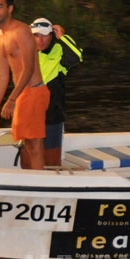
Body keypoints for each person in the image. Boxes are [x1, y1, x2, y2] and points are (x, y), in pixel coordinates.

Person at [0, 0, 49, 169]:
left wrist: (12, 99)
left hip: (34, 90)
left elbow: (28, 69)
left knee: (34, 144)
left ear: (10, 9)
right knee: (27, 143)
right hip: (21, 93)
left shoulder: (21, 31)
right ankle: (35, 180)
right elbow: (2, 75)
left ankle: (41, 185)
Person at [30, 17, 83, 167]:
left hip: (52, 115)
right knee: (28, 158)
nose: (40, 40)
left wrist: (63, 37)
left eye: (45, 35)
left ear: (51, 35)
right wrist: (20, 34)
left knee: (51, 160)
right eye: (36, 35)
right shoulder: (24, 50)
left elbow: (76, 57)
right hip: (28, 113)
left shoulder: (59, 51)